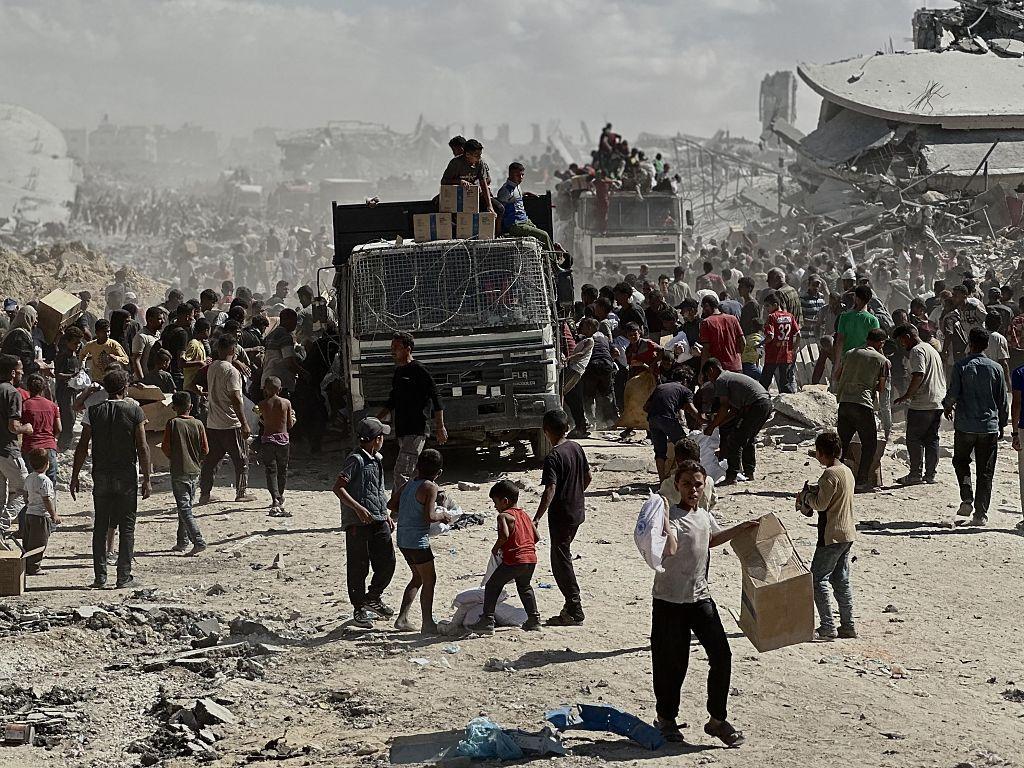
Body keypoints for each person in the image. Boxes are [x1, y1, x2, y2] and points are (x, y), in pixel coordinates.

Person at [651, 460, 753, 747]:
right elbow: (669, 548)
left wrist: (741, 528)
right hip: (669, 601)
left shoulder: (704, 516)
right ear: (677, 485)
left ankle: (717, 720)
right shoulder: (670, 517)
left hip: (700, 597)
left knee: (722, 655)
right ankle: (666, 718)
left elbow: (710, 539)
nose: (693, 490)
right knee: (673, 663)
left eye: (698, 484)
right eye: (687, 484)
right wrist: (665, 517)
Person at [70, 369, 151, 589]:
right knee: (127, 526)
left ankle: (100, 577)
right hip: (126, 476)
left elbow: (82, 447)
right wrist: (146, 478)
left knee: (100, 525)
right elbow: (142, 447)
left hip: (101, 475)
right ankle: (123, 576)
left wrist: (75, 476)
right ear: (125, 388)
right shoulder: (134, 411)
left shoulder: (93, 411)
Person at [334, 417, 397, 629]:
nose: (383, 440)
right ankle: (359, 607)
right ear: (376, 439)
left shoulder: (376, 459)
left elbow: (377, 489)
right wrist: (358, 508)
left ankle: (373, 597)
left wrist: (385, 513)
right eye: (381, 436)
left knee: (387, 561)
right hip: (357, 523)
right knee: (358, 566)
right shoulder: (355, 460)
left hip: (378, 519)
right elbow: (338, 488)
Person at [943, 327, 1008, 527]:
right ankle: (980, 514)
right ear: (987, 345)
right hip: (988, 427)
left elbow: (953, 393)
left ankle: (966, 496)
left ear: (969, 344)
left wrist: (947, 406)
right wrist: (1002, 423)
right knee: (985, 471)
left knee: (961, 461)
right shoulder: (996, 368)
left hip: (965, 426)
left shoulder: (961, 366)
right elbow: (1002, 400)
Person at [534, 409, 591, 626]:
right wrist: (576, 493)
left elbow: (550, 489)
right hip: (576, 511)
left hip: (561, 515)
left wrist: (537, 517)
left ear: (545, 431)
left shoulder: (553, 457)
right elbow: (588, 477)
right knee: (562, 556)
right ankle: (571, 607)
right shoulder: (576, 447)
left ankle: (574, 608)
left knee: (560, 561)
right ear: (567, 428)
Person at [798, 432, 857, 640]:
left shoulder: (829, 474)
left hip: (831, 535)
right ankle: (848, 625)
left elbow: (821, 504)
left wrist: (806, 497)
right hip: (847, 533)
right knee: (841, 580)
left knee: (817, 579)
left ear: (821, 453)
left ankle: (828, 627)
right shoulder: (846, 471)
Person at [467, 479, 542, 634]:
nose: (495, 507)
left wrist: (496, 549)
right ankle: (534, 620)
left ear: (505, 501)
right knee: (525, 587)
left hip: (515, 560)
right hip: (530, 559)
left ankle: (487, 620)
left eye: (495, 502)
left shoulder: (504, 516)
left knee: (492, 585)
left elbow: (504, 536)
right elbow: (536, 537)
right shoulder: (525, 515)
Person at [389, 449, 451, 634]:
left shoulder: (409, 484)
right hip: (418, 542)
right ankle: (428, 623)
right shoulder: (430, 487)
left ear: (417, 467)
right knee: (430, 580)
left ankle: (402, 619)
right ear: (439, 472)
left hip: (403, 540)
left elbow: (391, 504)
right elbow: (429, 516)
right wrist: (443, 516)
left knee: (417, 578)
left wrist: (409, 509)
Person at [378, 332, 447, 488]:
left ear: (408, 349)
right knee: (414, 473)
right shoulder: (398, 372)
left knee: (401, 472)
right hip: (402, 429)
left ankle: (400, 503)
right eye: (391, 347)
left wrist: (440, 426)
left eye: (396, 347)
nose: (392, 351)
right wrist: (376, 420)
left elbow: (436, 396)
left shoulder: (418, 369)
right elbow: (392, 400)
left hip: (416, 429)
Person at [198, 335, 255, 505]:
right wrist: (244, 423)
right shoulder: (231, 371)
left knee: (211, 461)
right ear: (232, 349)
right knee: (241, 459)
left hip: (213, 422)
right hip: (231, 423)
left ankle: (205, 494)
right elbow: (236, 398)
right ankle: (241, 492)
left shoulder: (212, 367)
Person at [702, 359, 773, 485]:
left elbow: (724, 407)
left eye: (708, 376)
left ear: (711, 370)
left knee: (734, 440)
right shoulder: (729, 377)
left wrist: (712, 426)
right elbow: (734, 411)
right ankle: (749, 472)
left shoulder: (721, 380)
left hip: (755, 405)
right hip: (764, 403)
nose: (710, 380)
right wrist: (718, 424)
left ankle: (731, 476)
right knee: (747, 438)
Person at [835, 328, 888, 492]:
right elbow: (881, 388)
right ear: (881, 343)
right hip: (863, 404)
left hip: (844, 401)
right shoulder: (881, 360)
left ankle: (836, 479)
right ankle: (862, 481)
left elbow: (837, 375)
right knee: (869, 444)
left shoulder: (850, 353)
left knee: (841, 444)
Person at [892, 325, 946, 485]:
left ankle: (915, 474)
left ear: (908, 337)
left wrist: (907, 395)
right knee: (932, 439)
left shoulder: (917, 351)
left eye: (902, 341)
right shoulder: (931, 350)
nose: (902, 345)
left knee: (914, 438)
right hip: (937, 402)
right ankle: (930, 475)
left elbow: (918, 375)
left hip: (922, 403)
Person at [161, 391, 208, 556]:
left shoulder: (172, 423)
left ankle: (198, 540)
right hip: (194, 471)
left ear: (174, 407)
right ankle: (182, 541)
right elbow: (205, 449)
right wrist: (196, 460)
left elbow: (166, 447)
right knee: (186, 507)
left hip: (179, 470)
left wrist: (175, 457)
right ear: (191, 406)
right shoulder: (198, 424)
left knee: (184, 508)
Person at [645, 369, 701, 480]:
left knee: (659, 452)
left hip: (652, 419)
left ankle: (662, 480)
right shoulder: (685, 390)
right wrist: (703, 421)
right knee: (684, 446)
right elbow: (692, 409)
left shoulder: (660, 387)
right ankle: (686, 475)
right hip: (668, 418)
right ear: (685, 380)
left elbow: (645, 407)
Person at [0, 355, 31, 535]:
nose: (22, 374)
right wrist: (26, 428)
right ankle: (3, 526)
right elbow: (13, 426)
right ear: (12, 372)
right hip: (8, 450)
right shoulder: (12, 393)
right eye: (20, 371)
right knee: (25, 489)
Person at [496, 162, 555, 252]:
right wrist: (498, 232)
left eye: (522, 175)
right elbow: (500, 211)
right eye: (517, 175)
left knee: (541, 238)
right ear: (510, 174)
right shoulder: (505, 191)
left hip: (524, 221)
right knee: (544, 235)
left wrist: (526, 193)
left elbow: (515, 197)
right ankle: (553, 260)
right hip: (515, 225)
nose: (521, 177)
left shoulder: (517, 186)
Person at [259, 376, 295, 516]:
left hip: (268, 440)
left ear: (265, 389)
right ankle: (280, 496)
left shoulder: (262, 404)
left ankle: (274, 498)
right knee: (282, 470)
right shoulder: (286, 403)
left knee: (270, 471)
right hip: (283, 440)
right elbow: (289, 424)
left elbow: (260, 419)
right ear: (280, 389)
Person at [22, 448, 60, 576]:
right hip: (41, 516)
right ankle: (34, 567)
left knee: (28, 541)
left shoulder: (29, 477)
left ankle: (26, 564)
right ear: (46, 464)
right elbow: (46, 499)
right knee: (39, 542)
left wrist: (29, 503)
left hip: (29, 514)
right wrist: (54, 515)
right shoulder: (45, 480)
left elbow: (25, 494)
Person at [20, 374, 59, 488]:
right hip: (49, 446)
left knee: (31, 482)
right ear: (43, 388)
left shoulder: (24, 405)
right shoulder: (52, 405)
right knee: (50, 481)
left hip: (30, 447)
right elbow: (59, 428)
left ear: (28, 387)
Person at [759, 292, 800, 394]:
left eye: (767, 306)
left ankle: (761, 400)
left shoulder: (772, 317)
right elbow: (798, 334)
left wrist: (761, 343)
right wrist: (793, 349)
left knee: (764, 382)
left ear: (775, 305)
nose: (766, 309)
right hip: (786, 354)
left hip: (772, 354)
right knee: (784, 383)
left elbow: (770, 336)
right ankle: (790, 400)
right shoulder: (790, 316)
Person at [54, 327, 84, 450]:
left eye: (79, 343)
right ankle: (63, 445)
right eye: (75, 343)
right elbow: (58, 374)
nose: (78, 345)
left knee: (72, 416)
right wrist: (71, 376)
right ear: (67, 342)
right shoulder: (63, 356)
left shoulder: (74, 354)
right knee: (68, 418)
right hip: (64, 391)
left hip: (72, 390)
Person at [699, 295, 744, 373]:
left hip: (718, 370)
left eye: (703, 307)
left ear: (707, 306)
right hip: (736, 367)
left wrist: (702, 372)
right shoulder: (733, 319)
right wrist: (737, 358)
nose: (703, 311)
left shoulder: (706, 322)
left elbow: (706, 350)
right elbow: (743, 342)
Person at [131, 306, 167, 381]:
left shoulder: (158, 334)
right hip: (144, 381)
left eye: (163, 318)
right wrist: (142, 380)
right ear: (150, 320)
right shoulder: (141, 337)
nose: (163, 321)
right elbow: (136, 360)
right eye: (159, 319)